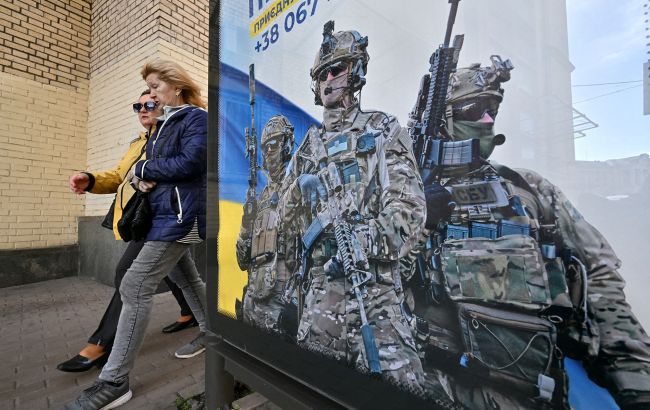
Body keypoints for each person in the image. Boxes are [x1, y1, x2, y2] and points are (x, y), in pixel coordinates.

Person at [407, 57, 650, 409]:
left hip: (534, 393)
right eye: (475, 109)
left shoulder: (528, 189)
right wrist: (416, 219)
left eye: (492, 110)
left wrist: (638, 387)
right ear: (444, 120)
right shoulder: (404, 192)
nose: (488, 120)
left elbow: (600, 282)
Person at [281, 22, 428, 396]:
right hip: (319, 300)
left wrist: (359, 241)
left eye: (337, 69)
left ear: (356, 70)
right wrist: (298, 190)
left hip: (376, 296)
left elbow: (409, 212)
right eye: (321, 74)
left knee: (399, 395)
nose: (328, 80)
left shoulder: (382, 130)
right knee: (313, 394)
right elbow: (283, 219)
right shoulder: (307, 148)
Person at [63, 60, 208, 410]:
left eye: (156, 87)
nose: (151, 96)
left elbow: (192, 163)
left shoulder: (195, 118)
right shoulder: (163, 125)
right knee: (185, 278)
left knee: (134, 285)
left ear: (176, 86)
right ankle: (215, 333)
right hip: (162, 216)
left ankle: (114, 381)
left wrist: (143, 168)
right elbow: (145, 174)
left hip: (180, 217)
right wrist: (141, 179)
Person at [235, 115, 295, 336]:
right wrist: (246, 223)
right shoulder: (261, 198)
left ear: (287, 145)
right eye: (264, 147)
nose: (268, 151)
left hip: (282, 302)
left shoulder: (296, 186)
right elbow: (242, 261)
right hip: (254, 301)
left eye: (274, 143)